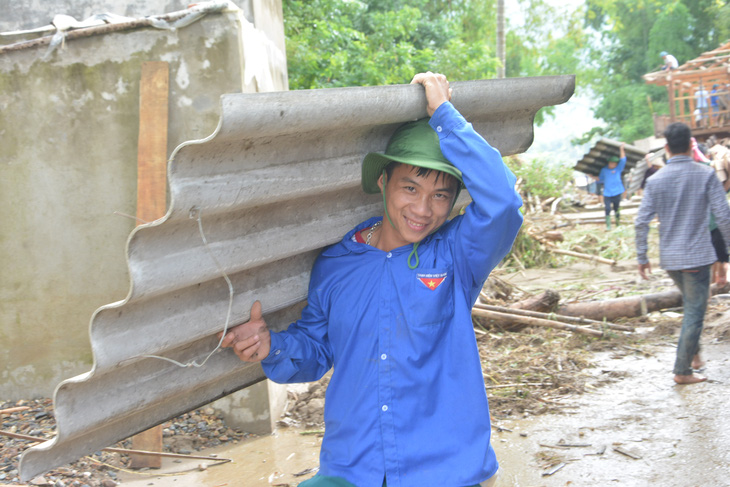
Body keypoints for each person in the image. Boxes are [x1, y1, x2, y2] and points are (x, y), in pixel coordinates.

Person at [219, 72, 523, 486]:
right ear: (383, 183)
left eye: (440, 195)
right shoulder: (336, 264)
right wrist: (271, 345)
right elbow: (315, 350)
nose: (423, 208)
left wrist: (446, 117)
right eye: (410, 188)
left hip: (447, 472)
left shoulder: (456, 255)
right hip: (353, 470)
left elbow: (504, 202)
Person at [635, 122, 730, 385]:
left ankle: (695, 356)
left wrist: (642, 257)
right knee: (695, 312)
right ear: (691, 145)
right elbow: (723, 216)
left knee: (692, 305)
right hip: (697, 257)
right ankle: (682, 370)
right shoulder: (706, 174)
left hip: (671, 259)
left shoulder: (655, 180)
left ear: (666, 148)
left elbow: (641, 221)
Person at [598, 143, 627, 229]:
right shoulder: (604, 170)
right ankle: (608, 226)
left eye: (615, 163)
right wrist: (592, 177)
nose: (613, 164)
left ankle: (618, 225)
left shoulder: (618, 169)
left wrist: (621, 149)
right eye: (612, 163)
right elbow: (600, 178)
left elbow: (623, 159)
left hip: (617, 192)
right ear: (609, 163)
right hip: (607, 193)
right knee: (607, 209)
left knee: (616, 209)